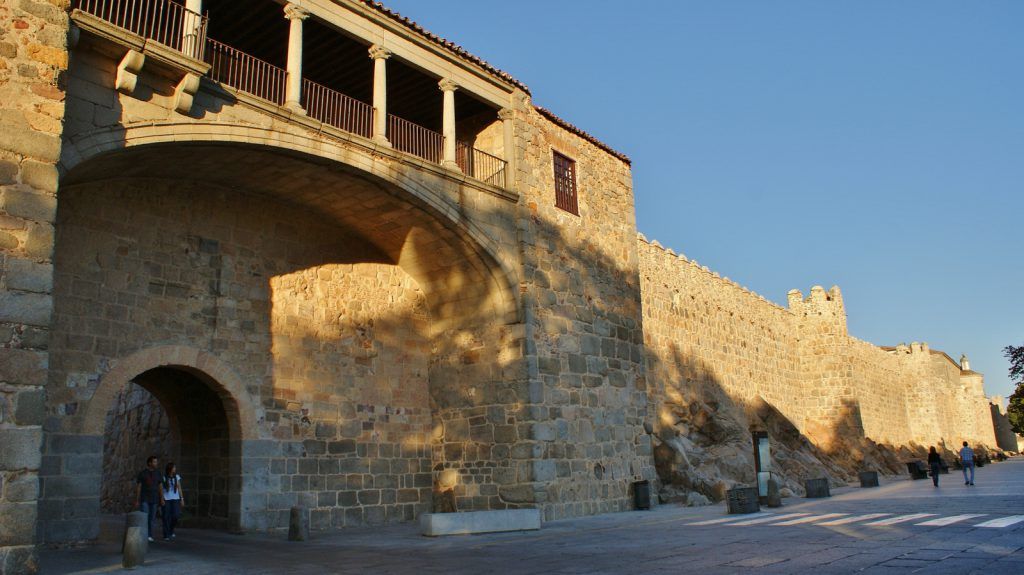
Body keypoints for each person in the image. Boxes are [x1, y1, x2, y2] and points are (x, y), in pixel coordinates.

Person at [135, 456, 164, 542]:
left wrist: (162, 498)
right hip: (145, 498)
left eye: (156, 462)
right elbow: (139, 486)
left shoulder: (158, 473)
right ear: (149, 463)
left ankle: (150, 535)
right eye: (154, 462)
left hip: (154, 499)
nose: (156, 463)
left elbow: (160, 486)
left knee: (152, 518)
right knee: (145, 517)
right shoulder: (143, 473)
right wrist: (137, 499)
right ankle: (144, 534)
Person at [161, 462, 184, 541]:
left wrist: (182, 498)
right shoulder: (164, 477)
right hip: (167, 498)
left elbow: (179, 488)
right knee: (166, 516)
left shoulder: (176, 477)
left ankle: (171, 529)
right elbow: (161, 489)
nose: (175, 469)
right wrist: (161, 498)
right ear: (170, 469)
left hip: (175, 498)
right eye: (174, 467)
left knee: (176, 515)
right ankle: (166, 534)